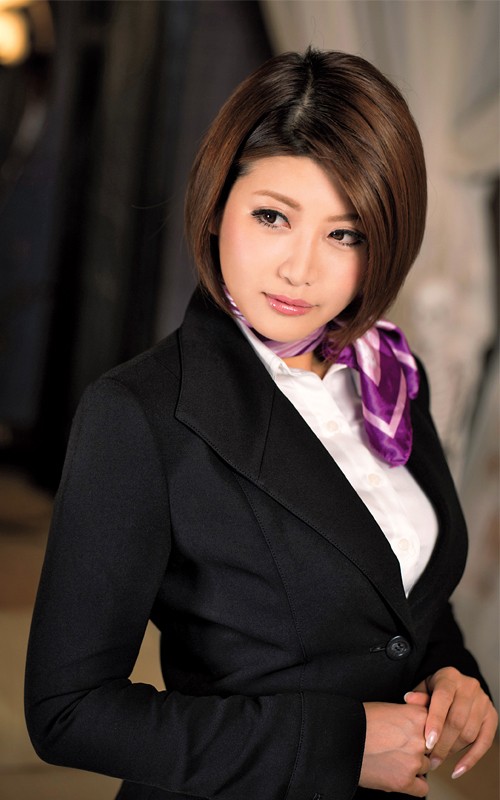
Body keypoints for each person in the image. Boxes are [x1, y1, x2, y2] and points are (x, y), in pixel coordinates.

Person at [25, 48, 497, 800]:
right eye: (273, 216)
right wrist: (340, 746)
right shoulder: (140, 413)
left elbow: (403, 600)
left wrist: (454, 675)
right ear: (218, 207)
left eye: (346, 234)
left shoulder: (391, 375)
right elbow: (70, 712)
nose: (300, 269)